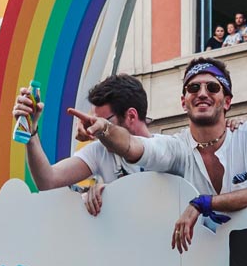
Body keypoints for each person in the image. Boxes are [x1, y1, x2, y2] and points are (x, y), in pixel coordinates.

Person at [72, 57, 247, 251]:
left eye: (212, 87)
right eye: (193, 88)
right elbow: (133, 146)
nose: (202, 93)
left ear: (226, 101)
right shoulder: (177, 147)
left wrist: (203, 203)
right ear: (183, 102)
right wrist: (105, 129)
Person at [14, 74, 152, 215]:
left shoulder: (164, 149)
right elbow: (48, 181)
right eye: (94, 121)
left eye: (103, 123)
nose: (97, 129)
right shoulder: (101, 150)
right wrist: (31, 131)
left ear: (131, 116)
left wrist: (113, 192)